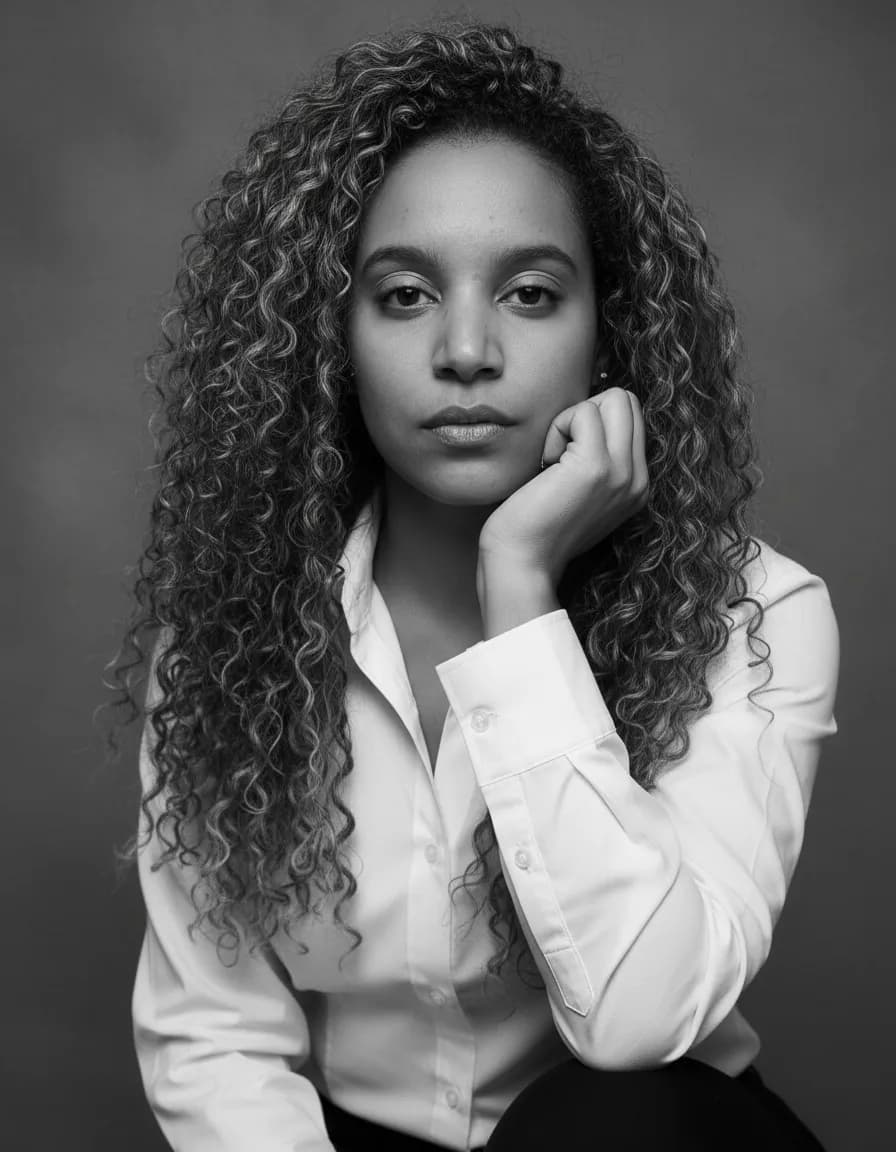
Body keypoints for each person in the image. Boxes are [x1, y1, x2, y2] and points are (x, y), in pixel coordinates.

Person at [107, 19, 840, 1152]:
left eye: (529, 294)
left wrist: (519, 587)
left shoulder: (755, 619)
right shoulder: (228, 645)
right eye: (402, 295)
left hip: (641, 1136)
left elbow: (638, 1023)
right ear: (332, 338)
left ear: (607, 334)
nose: (464, 351)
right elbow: (218, 1041)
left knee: (616, 1116)